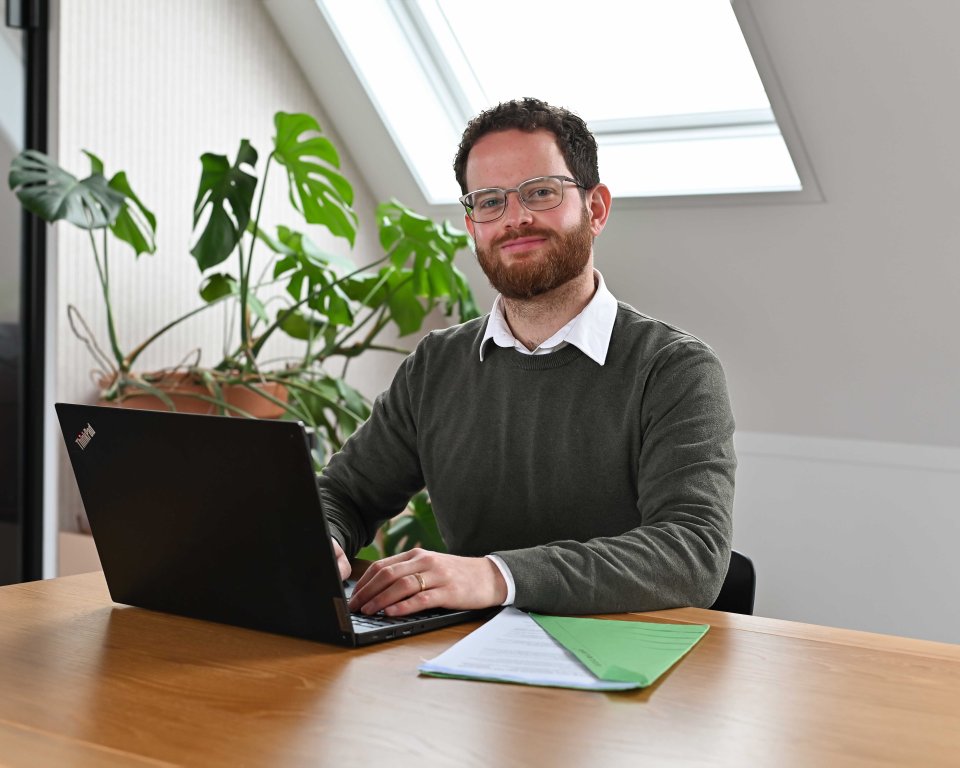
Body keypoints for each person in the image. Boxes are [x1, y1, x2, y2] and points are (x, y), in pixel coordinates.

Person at [320, 97, 736, 617]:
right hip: (462, 661)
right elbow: (343, 494)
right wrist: (321, 539)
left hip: (624, 673)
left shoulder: (675, 369)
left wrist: (497, 575)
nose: (515, 219)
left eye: (540, 193)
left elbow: (692, 553)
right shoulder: (436, 365)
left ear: (596, 208)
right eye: (489, 201)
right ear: (472, 226)